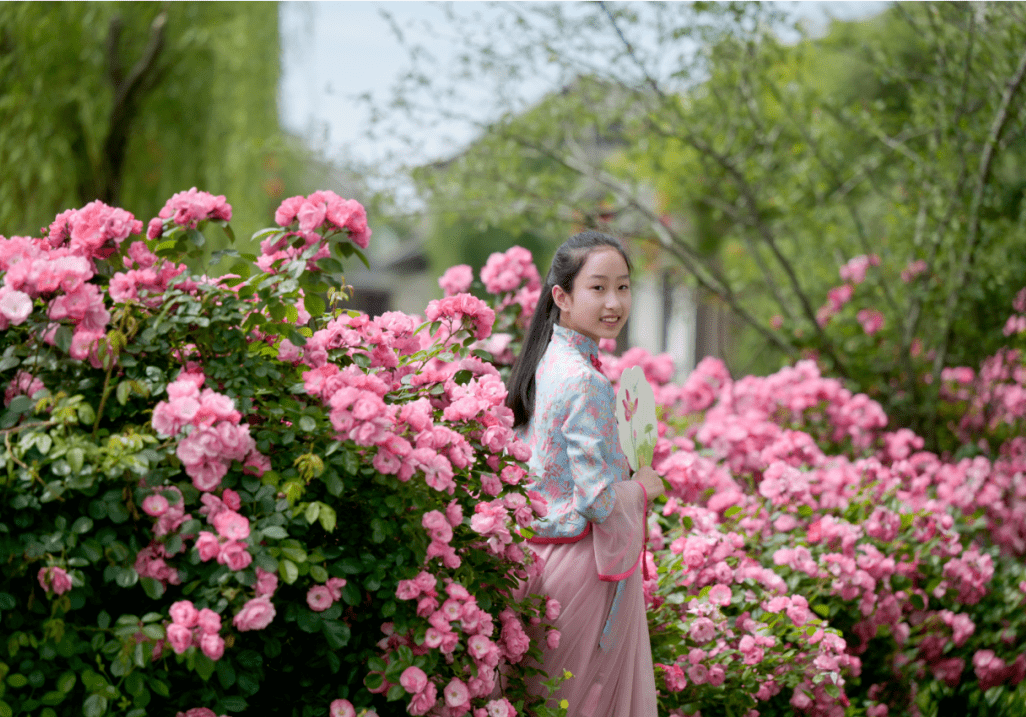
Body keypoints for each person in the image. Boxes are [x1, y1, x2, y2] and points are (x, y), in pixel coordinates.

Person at [506, 230, 664, 717]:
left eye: (623, 286)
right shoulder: (586, 380)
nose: (614, 301)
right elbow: (596, 500)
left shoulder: (548, 360)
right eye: (598, 288)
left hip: (540, 560)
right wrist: (642, 488)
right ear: (562, 296)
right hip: (581, 566)